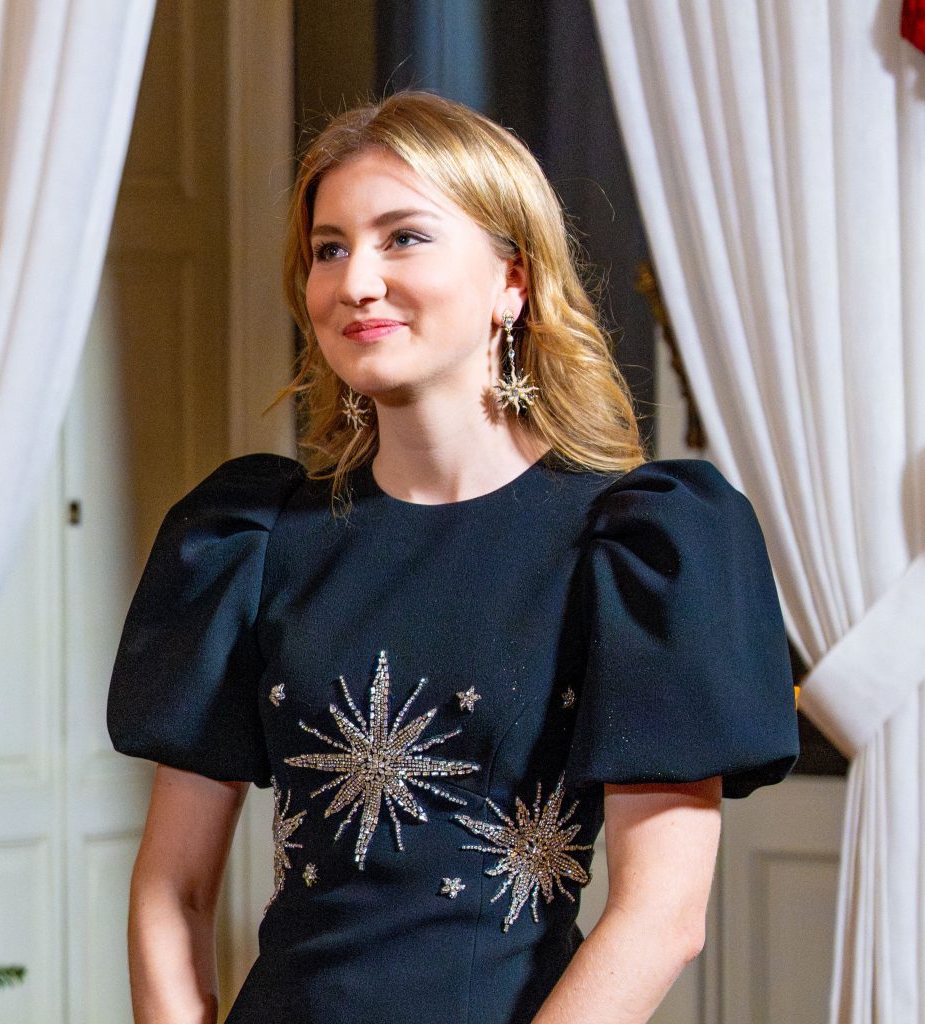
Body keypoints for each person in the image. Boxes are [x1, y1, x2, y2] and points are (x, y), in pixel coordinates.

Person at [107, 91, 799, 1024]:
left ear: (513, 280)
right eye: (329, 248)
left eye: (404, 238)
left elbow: (661, 918)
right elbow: (173, 891)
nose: (356, 281)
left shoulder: (640, 546)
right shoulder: (250, 539)